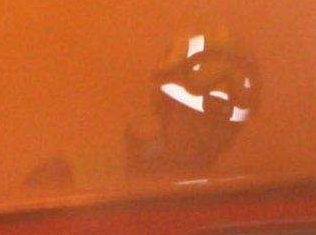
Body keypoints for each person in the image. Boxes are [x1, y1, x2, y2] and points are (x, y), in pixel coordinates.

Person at [19, 33, 261, 193]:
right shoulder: (68, 179)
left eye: (217, 124)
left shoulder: (230, 211)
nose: (204, 133)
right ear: (162, 107)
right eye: (189, 116)